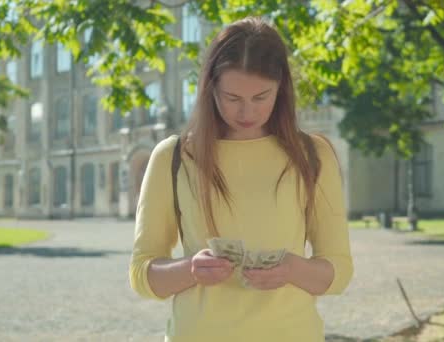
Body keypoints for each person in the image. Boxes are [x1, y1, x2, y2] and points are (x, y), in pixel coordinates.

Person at [129, 17, 354, 342]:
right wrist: (189, 269)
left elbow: (339, 271)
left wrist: (292, 269)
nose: (246, 113)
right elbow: (141, 273)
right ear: (210, 89)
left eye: (261, 97)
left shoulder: (313, 155)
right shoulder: (173, 157)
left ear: (281, 88)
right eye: (232, 98)